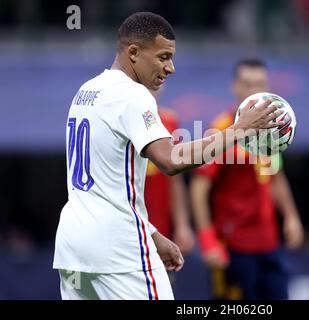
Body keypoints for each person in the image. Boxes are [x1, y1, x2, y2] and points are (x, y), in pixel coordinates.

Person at [53, 13, 282, 300]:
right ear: (133, 52)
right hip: (119, 252)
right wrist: (240, 129)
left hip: (74, 250)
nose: (170, 68)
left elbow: (103, 185)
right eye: (163, 57)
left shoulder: (86, 91)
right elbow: (171, 160)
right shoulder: (133, 95)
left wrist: (152, 234)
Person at [190, 58, 305, 300]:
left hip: (270, 244)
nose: (254, 91)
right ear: (235, 88)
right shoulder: (221, 131)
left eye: (260, 84)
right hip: (234, 247)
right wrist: (208, 240)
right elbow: (198, 189)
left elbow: (275, 175)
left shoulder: (271, 131)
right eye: (248, 84)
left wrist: (291, 216)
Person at [144, 90, 195, 256]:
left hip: (162, 230)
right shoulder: (117, 120)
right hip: (127, 232)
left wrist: (182, 224)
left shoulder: (169, 121)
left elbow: (175, 181)